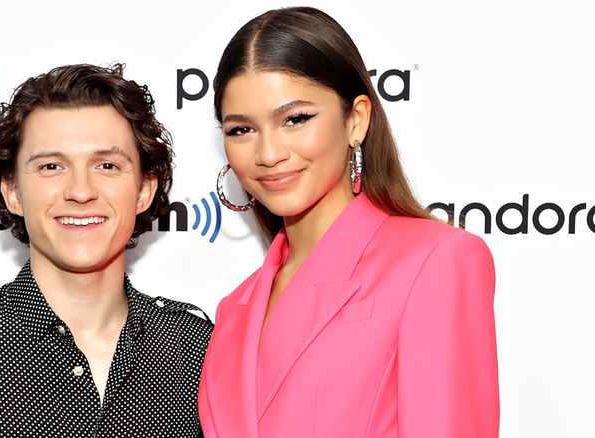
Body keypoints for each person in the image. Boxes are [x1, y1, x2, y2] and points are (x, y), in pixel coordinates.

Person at [0, 63, 213, 437]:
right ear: (12, 192)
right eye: (51, 166)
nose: (80, 190)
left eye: (107, 165)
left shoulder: (200, 351)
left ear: (144, 190)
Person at [198, 7, 499, 437]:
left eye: (295, 119)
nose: (268, 153)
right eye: (241, 130)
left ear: (356, 119)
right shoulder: (234, 310)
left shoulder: (435, 261)